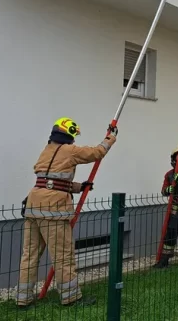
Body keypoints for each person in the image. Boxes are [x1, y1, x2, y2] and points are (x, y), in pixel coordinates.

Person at [16, 117, 117, 308]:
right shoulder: (70, 150)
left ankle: (23, 298)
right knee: (63, 255)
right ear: (69, 133)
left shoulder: (47, 150)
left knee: (29, 255)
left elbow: (51, 180)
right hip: (53, 211)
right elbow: (97, 152)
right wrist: (110, 137)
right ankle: (71, 298)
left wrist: (78, 187)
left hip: (32, 207)